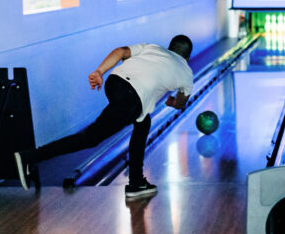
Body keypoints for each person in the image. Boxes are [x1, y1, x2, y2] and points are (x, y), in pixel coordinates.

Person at [14, 35, 194, 199]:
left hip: (114, 82)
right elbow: (180, 102)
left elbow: (121, 51)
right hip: (132, 99)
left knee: (143, 122)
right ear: (187, 57)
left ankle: (136, 182)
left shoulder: (153, 47)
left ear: (169, 48)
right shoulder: (186, 72)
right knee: (90, 138)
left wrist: (99, 71)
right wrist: (172, 102)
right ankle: (31, 156)